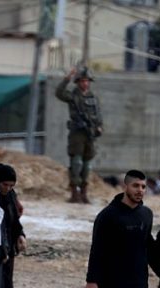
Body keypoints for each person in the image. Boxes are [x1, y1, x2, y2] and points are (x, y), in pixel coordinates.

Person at [56, 67, 103, 204]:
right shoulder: (73, 96)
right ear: (77, 82)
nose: (85, 83)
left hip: (90, 133)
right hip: (77, 133)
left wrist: (99, 127)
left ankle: (84, 193)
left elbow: (98, 115)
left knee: (87, 164)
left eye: (87, 81)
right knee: (76, 162)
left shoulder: (93, 98)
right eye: (82, 81)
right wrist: (67, 79)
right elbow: (59, 93)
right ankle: (74, 193)